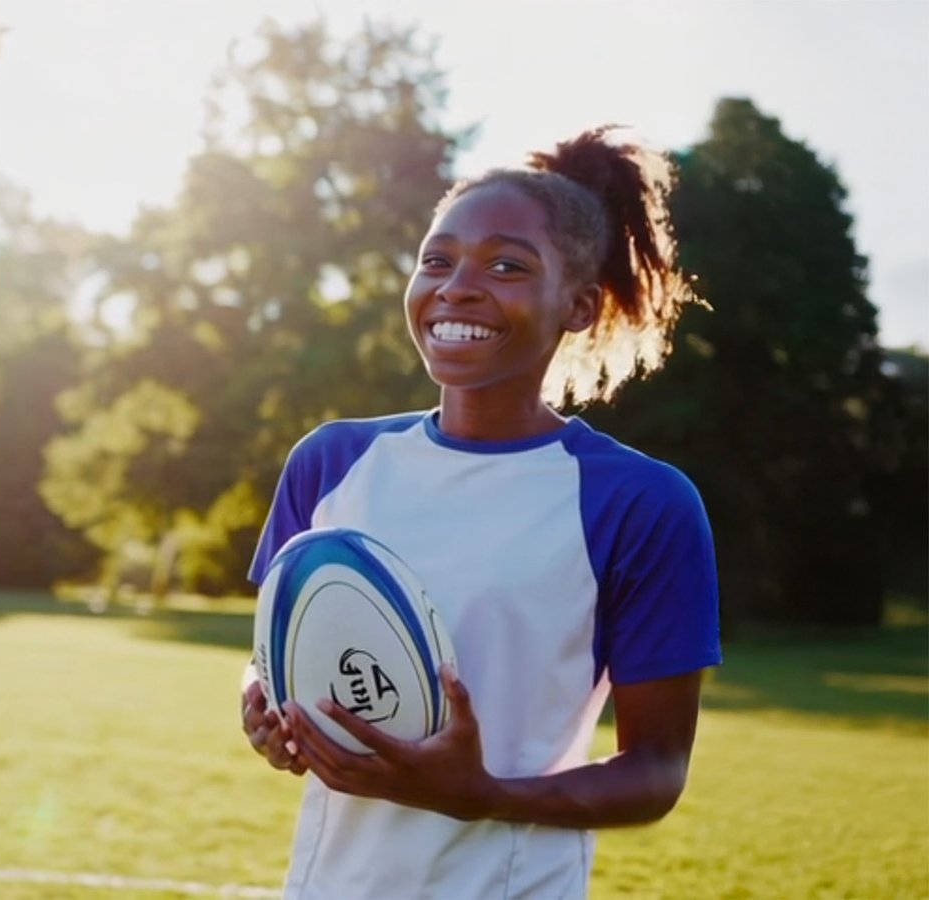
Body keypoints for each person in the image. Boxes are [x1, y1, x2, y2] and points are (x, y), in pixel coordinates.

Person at [239, 126, 722, 900]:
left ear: (578, 305)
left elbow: (657, 770)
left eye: (506, 265)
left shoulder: (639, 503)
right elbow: (276, 649)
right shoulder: (331, 462)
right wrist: (260, 706)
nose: (458, 286)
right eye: (438, 260)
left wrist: (484, 795)